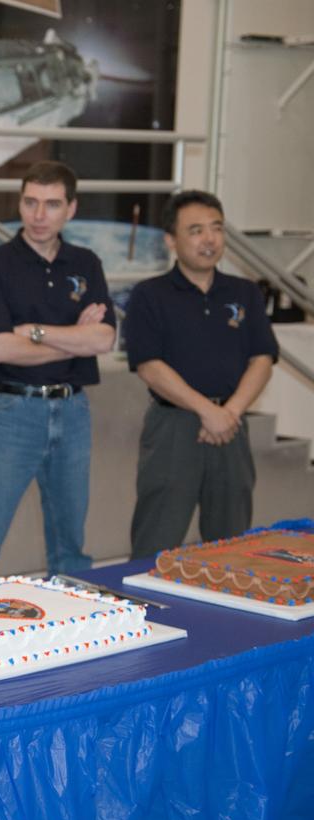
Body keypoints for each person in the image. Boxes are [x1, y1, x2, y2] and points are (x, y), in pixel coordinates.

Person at [0, 160, 115, 587]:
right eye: (30, 202)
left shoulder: (87, 263)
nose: (39, 215)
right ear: (20, 204)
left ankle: (75, 633)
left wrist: (37, 334)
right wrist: (74, 336)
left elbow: (102, 341)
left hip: (73, 410)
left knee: (71, 546)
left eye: (52, 204)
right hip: (12, 410)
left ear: (71, 209)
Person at [124, 190, 278, 558]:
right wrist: (207, 411)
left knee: (233, 546)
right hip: (174, 429)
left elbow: (262, 358)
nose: (208, 239)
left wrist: (230, 413)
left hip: (232, 428)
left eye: (216, 228)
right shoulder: (149, 295)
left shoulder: (245, 293)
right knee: (156, 542)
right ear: (171, 240)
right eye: (195, 230)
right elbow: (149, 365)